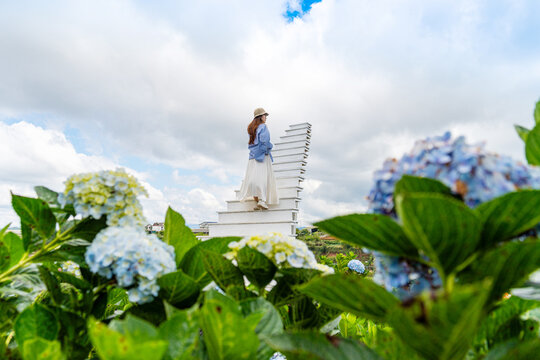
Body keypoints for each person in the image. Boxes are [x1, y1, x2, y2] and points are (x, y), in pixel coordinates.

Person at [237, 107, 279, 210]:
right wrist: (269, 147)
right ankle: (262, 200)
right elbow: (264, 142)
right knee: (262, 178)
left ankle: (258, 201)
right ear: (261, 117)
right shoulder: (263, 127)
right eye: (265, 115)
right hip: (262, 156)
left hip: (252, 157)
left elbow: (253, 143)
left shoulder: (251, 128)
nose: (266, 118)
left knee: (253, 178)